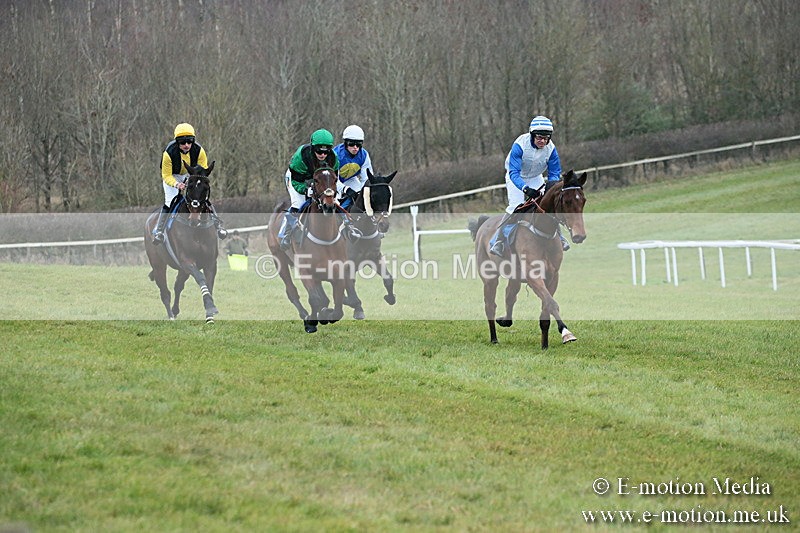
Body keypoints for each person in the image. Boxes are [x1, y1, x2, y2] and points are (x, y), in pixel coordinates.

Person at [488, 115, 569, 257]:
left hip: (536, 177)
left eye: (546, 138)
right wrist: (525, 189)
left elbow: (555, 172)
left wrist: (551, 188)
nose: (543, 141)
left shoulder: (551, 149)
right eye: (539, 137)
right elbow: (514, 172)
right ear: (532, 135)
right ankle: (498, 240)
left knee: (549, 205)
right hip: (516, 177)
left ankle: (560, 237)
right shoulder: (520, 145)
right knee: (516, 206)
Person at [153, 123, 227, 245]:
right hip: (173, 176)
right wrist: (177, 185)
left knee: (203, 198)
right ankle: (159, 231)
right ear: (177, 142)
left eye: (189, 141)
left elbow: (202, 172)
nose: (186, 145)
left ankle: (219, 226)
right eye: (183, 142)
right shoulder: (168, 154)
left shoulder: (199, 151)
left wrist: (193, 182)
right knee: (170, 201)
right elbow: (166, 175)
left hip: (191, 174)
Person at [278, 129, 340, 250]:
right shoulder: (301, 157)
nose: (322, 155)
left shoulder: (334, 159)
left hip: (320, 179)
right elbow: (296, 181)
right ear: (312, 148)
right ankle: (287, 232)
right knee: (299, 203)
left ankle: (348, 226)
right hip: (298, 179)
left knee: (334, 202)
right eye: (319, 151)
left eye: (326, 151)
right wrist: (306, 190)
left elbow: (334, 180)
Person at [333, 125, 374, 211]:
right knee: (335, 203)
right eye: (351, 144)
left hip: (350, 179)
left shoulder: (364, 155)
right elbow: (333, 179)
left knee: (361, 196)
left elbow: (366, 179)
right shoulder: (335, 155)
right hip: (332, 182)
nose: (355, 147)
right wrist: (345, 189)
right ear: (345, 143)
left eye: (358, 144)